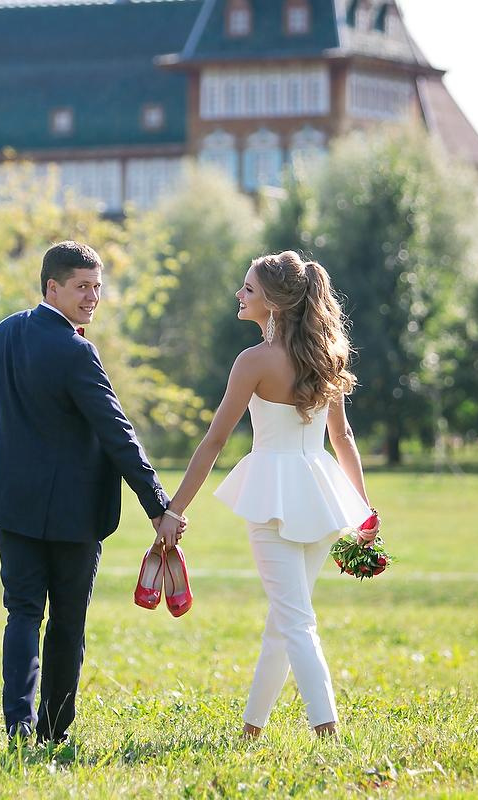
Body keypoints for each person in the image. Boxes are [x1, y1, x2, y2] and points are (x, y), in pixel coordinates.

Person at [155, 251, 380, 738]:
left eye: (249, 289)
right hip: (322, 494)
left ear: (274, 303)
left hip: (274, 496)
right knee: (285, 620)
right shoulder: (326, 355)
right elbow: (342, 438)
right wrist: (363, 509)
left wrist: (174, 509)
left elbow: (214, 441)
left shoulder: (253, 361)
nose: (240, 294)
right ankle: (251, 729)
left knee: (295, 621)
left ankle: (327, 730)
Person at [0, 240, 184, 746]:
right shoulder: (76, 350)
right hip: (72, 512)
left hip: (11, 501)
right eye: (82, 287)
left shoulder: (1, 334)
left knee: (22, 613)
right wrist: (158, 505)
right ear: (52, 288)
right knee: (67, 621)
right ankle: (52, 733)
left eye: (98, 287)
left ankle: (18, 726)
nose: (93, 297)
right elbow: (117, 432)